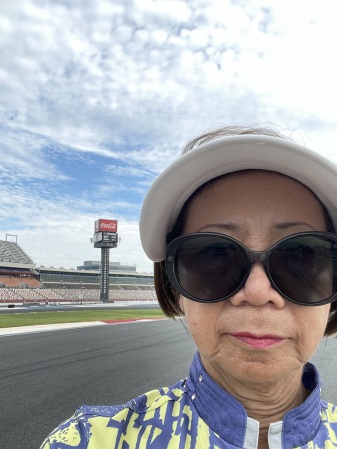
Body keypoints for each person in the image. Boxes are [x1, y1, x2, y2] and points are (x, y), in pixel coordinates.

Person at [40, 126, 337, 449]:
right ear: (175, 285)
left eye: (301, 255)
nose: (256, 291)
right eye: (213, 255)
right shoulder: (86, 441)